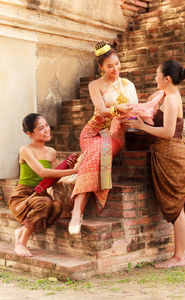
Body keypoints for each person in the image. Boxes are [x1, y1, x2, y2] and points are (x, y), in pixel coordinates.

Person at [126, 60, 185, 268]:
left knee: (176, 205)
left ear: (167, 78)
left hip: (172, 154)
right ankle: (183, 254)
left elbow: (167, 132)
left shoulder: (172, 99)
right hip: (172, 153)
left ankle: (180, 256)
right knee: (181, 207)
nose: (155, 77)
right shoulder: (168, 96)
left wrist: (140, 126)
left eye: (157, 74)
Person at [68, 41, 138, 235]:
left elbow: (135, 111)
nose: (115, 69)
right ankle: (77, 211)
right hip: (93, 131)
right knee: (95, 150)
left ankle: (77, 211)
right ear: (101, 67)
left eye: (117, 64)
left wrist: (128, 116)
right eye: (109, 66)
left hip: (115, 133)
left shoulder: (128, 85)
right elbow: (101, 111)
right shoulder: (94, 85)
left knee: (98, 152)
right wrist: (117, 109)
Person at [8, 113, 78, 257]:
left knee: (57, 206)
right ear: (30, 133)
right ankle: (21, 244)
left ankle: (22, 230)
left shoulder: (51, 152)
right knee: (45, 203)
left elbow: (51, 179)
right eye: (41, 128)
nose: (46, 130)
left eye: (46, 126)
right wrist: (74, 171)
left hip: (41, 195)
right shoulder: (25, 150)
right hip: (24, 197)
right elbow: (43, 173)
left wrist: (64, 167)